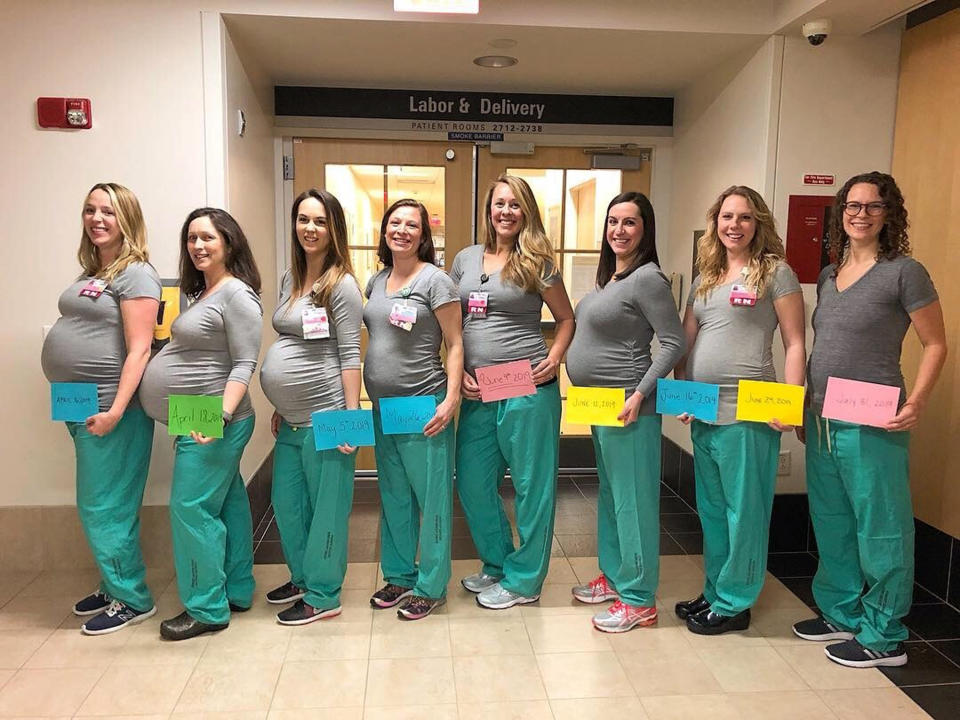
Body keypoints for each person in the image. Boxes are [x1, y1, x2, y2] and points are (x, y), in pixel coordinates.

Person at [792, 172, 946, 668]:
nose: (861, 214)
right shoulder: (828, 274)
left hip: (874, 418)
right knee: (832, 521)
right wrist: (802, 406)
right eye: (852, 206)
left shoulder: (905, 272)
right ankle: (840, 611)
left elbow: (936, 344)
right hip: (821, 417)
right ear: (840, 214)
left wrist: (916, 401)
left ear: (889, 213)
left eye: (872, 206)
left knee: (882, 527)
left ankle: (884, 635)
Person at [673, 185, 805, 634]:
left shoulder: (776, 273)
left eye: (744, 217)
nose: (734, 225)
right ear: (716, 223)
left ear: (758, 223)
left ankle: (735, 602)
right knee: (712, 510)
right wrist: (685, 394)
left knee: (743, 512)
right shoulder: (704, 278)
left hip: (750, 412)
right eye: (727, 217)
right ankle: (715, 590)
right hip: (706, 413)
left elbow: (795, 342)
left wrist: (792, 404)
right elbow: (685, 344)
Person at [41, 183, 161, 635]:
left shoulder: (136, 275)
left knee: (103, 505)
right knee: (100, 501)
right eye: (90, 209)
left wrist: (114, 409)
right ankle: (114, 584)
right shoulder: (93, 272)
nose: (97, 218)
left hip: (113, 410)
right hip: (79, 405)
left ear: (127, 218)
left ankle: (132, 597)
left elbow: (140, 349)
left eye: (108, 211)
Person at [451, 174, 575, 610]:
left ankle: (525, 581)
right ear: (489, 210)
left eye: (514, 205)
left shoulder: (538, 261)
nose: (505, 212)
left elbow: (566, 318)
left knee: (530, 487)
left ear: (527, 212)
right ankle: (499, 562)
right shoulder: (465, 259)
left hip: (526, 385)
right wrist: (456, 369)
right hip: (478, 389)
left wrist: (555, 357)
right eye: (499, 203)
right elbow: (452, 322)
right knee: (472, 481)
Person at [139, 208, 263, 641]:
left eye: (208, 237)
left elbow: (245, 362)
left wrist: (220, 418)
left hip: (214, 419)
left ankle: (207, 607)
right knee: (227, 503)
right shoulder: (206, 293)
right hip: (196, 417)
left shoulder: (237, 295)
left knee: (190, 509)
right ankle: (238, 589)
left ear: (229, 242)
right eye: (192, 238)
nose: (198, 246)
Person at [565, 192, 685, 632]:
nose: (619, 230)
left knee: (633, 502)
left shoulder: (648, 278)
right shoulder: (612, 279)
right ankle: (616, 578)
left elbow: (674, 342)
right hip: (601, 407)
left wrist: (639, 393)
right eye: (613, 222)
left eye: (629, 223)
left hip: (628, 408)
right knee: (614, 496)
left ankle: (639, 599)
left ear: (645, 229)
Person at [260, 189, 363, 625]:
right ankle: (303, 576)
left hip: (328, 416)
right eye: (303, 219)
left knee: (326, 510)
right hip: (292, 421)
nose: (309, 228)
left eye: (319, 221)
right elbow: (289, 340)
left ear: (333, 228)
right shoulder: (290, 278)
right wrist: (282, 400)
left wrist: (350, 420)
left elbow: (351, 353)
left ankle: (323, 594)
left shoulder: (342, 286)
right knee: (287, 504)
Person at [364, 199, 463, 620]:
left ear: (424, 236)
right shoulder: (377, 280)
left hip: (424, 406)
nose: (401, 230)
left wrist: (451, 398)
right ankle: (401, 575)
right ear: (385, 231)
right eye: (394, 223)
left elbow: (455, 343)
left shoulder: (435, 281)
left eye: (411, 225)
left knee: (432, 499)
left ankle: (432, 584)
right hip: (383, 409)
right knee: (394, 495)